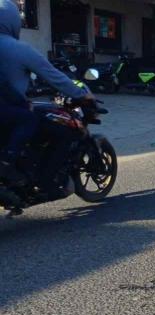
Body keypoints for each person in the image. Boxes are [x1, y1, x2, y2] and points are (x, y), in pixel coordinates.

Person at [0, 0, 91, 186]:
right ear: (12, 21)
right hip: (8, 109)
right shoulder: (19, 48)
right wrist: (81, 94)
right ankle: (45, 181)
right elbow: (53, 76)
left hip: (10, 106)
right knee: (63, 131)